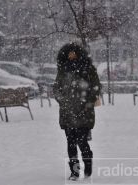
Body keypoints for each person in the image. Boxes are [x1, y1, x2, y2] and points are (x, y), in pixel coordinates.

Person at [53, 43, 101, 181]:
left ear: (79, 54)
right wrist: (63, 101)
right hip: (68, 112)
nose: (71, 55)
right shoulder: (62, 70)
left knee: (82, 141)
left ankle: (88, 165)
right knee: (71, 142)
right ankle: (74, 172)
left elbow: (95, 88)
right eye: (69, 53)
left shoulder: (88, 69)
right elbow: (56, 89)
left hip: (84, 112)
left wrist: (88, 102)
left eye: (74, 53)